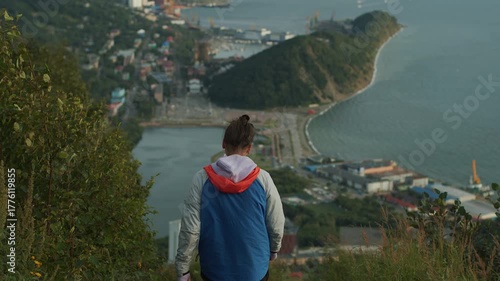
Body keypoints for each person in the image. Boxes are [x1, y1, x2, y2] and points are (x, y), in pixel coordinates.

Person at [175, 114, 285, 281]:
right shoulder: (263, 179)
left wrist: (183, 270)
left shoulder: (201, 179)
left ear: (223, 144)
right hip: (254, 270)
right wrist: (273, 250)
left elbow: (190, 230)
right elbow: (276, 223)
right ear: (249, 148)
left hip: (214, 270)